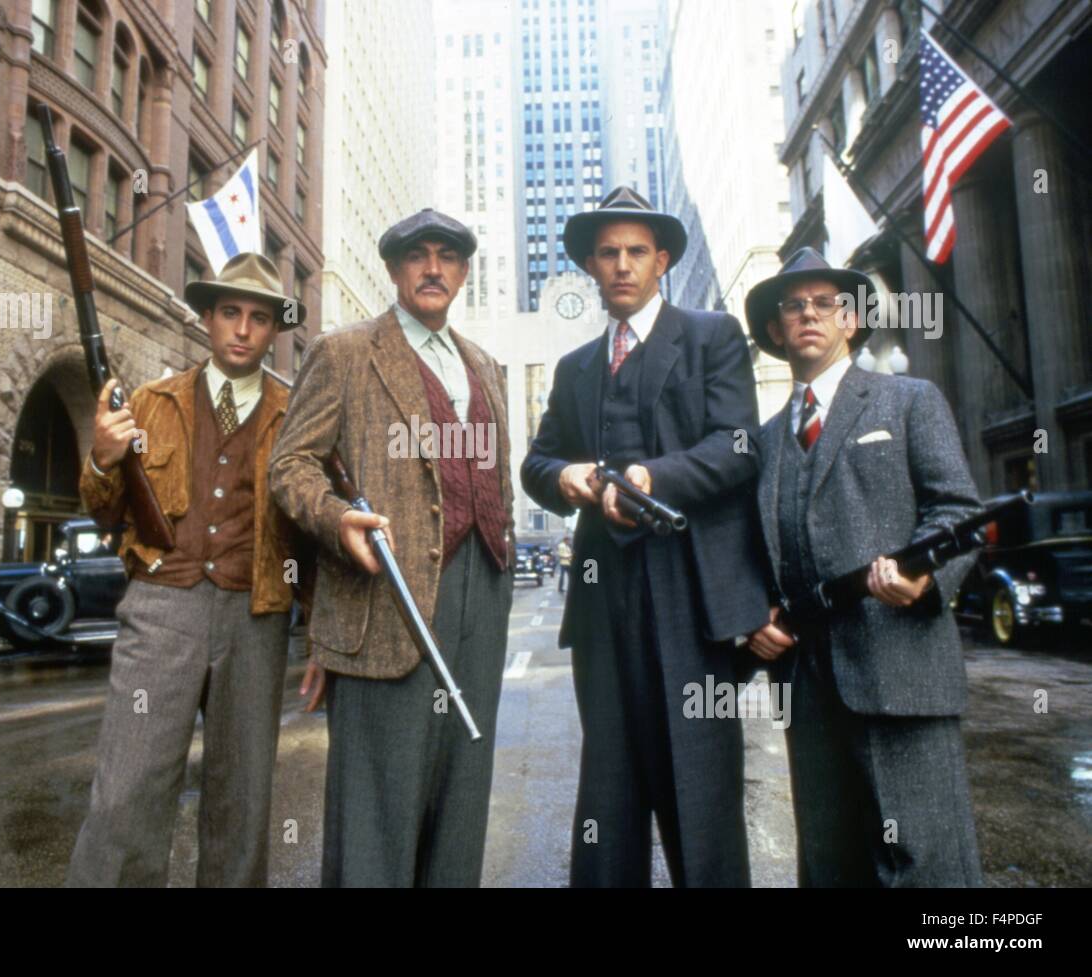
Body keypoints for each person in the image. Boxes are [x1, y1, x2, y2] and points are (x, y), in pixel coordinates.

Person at [521, 186, 770, 887]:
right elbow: (534, 464)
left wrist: (652, 478)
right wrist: (567, 474)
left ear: (662, 259)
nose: (622, 264)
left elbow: (741, 446)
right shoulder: (574, 369)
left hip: (692, 596)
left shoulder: (711, 335)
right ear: (591, 267)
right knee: (609, 792)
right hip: (602, 603)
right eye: (608, 253)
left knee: (701, 791)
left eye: (636, 251)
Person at [269, 208, 516, 887]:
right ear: (394, 269)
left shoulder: (487, 367)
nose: (432, 268)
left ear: (464, 272)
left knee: (462, 796)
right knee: (379, 807)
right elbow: (290, 467)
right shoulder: (344, 352)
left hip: (482, 595)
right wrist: (340, 518)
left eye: (447, 257)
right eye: (417, 255)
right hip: (387, 598)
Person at [743, 247, 984, 887]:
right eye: (793, 306)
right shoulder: (764, 440)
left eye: (826, 304)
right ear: (775, 330)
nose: (809, 315)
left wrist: (926, 580)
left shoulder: (908, 401)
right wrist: (755, 614)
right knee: (830, 866)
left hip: (899, 669)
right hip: (807, 683)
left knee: (924, 869)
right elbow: (755, 550)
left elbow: (958, 511)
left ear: (851, 320)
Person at [67, 252, 308, 888]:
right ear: (207, 317)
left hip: (257, 616)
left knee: (241, 802)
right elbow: (101, 510)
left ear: (274, 330)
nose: (242, 329)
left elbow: (311, 531)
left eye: (259, 318)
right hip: (160, 607)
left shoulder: (298, 414)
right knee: (126, 792)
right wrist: (101, 456)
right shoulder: (151, 402)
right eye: (230, 312)